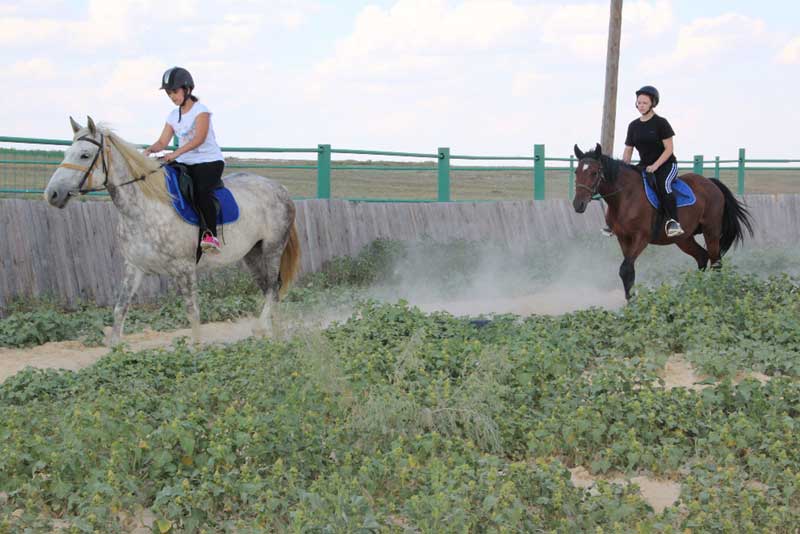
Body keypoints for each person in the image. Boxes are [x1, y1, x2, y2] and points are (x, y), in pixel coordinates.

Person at [143, 66, 226, 252]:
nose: (172, 96)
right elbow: (163, 141)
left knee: (201, 191)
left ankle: (211, 235)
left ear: (187, 89)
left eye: (175, 91)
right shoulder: (173, 116)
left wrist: (175, 154)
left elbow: (199, 139)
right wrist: (148, 151)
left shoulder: (201, 111)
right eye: (169, 93)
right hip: (185, 161)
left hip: (209, 161)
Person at [603, 85, 683, 238]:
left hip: (666, 165)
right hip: (644, 166)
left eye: (644, 103)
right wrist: (623, 168)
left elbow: (669, 149)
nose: (641, 106)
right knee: (623, 186)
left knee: (663, 186)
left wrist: (656, 165)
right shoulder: (633, 126)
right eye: (639, 102)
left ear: (653, 103)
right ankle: (613, 223)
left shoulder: (661, 123)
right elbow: (628, 149)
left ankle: (674, 222)